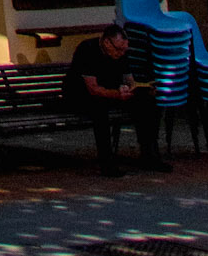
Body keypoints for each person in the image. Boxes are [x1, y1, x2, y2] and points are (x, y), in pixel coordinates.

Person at [63, 24, 170, 176]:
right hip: (81, 96)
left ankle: (149, 153)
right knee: (99, 110)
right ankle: (106, 162)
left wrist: (139, 89)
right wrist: (117, 94)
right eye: (118, 49)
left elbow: (129, 79)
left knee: (148, 103)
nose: (121, 53)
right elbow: (93, 89)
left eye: (124, 49)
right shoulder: (87, 50)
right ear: (107, 42)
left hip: (109, 93)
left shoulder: (121, 53)